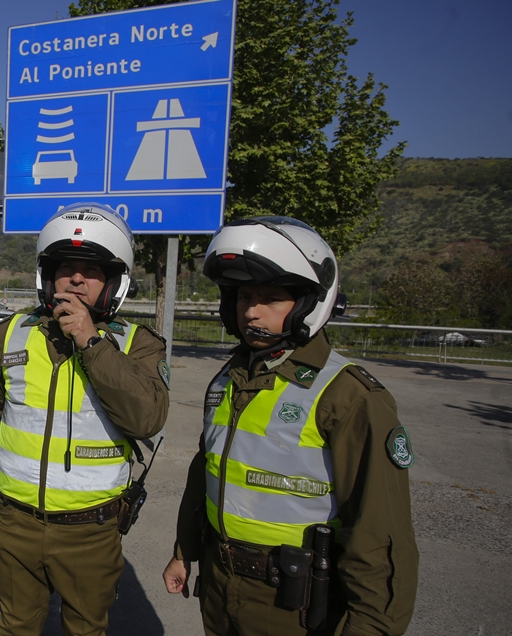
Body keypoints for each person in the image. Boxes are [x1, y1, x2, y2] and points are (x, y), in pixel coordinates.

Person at [162, 217, 419, 635]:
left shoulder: (348, 397)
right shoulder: (229, 379)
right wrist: (184, 550)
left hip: (293, 603)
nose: (252, 311)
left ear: (307, 303)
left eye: (272, 298)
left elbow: (379, 534)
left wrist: (371, 627)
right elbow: (207, 471)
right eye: (244, 296)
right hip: (221, 583)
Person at [0, 203, 170, 635]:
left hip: (90, 530)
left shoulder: (138, 345)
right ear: (48, 276)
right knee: (15, 626)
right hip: (15, 523)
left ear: (114, 282)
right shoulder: (11, 333)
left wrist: (91, 341)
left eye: (92, 269)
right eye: (66, 268)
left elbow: (147, 418)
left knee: (85, 630)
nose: (76, 278)